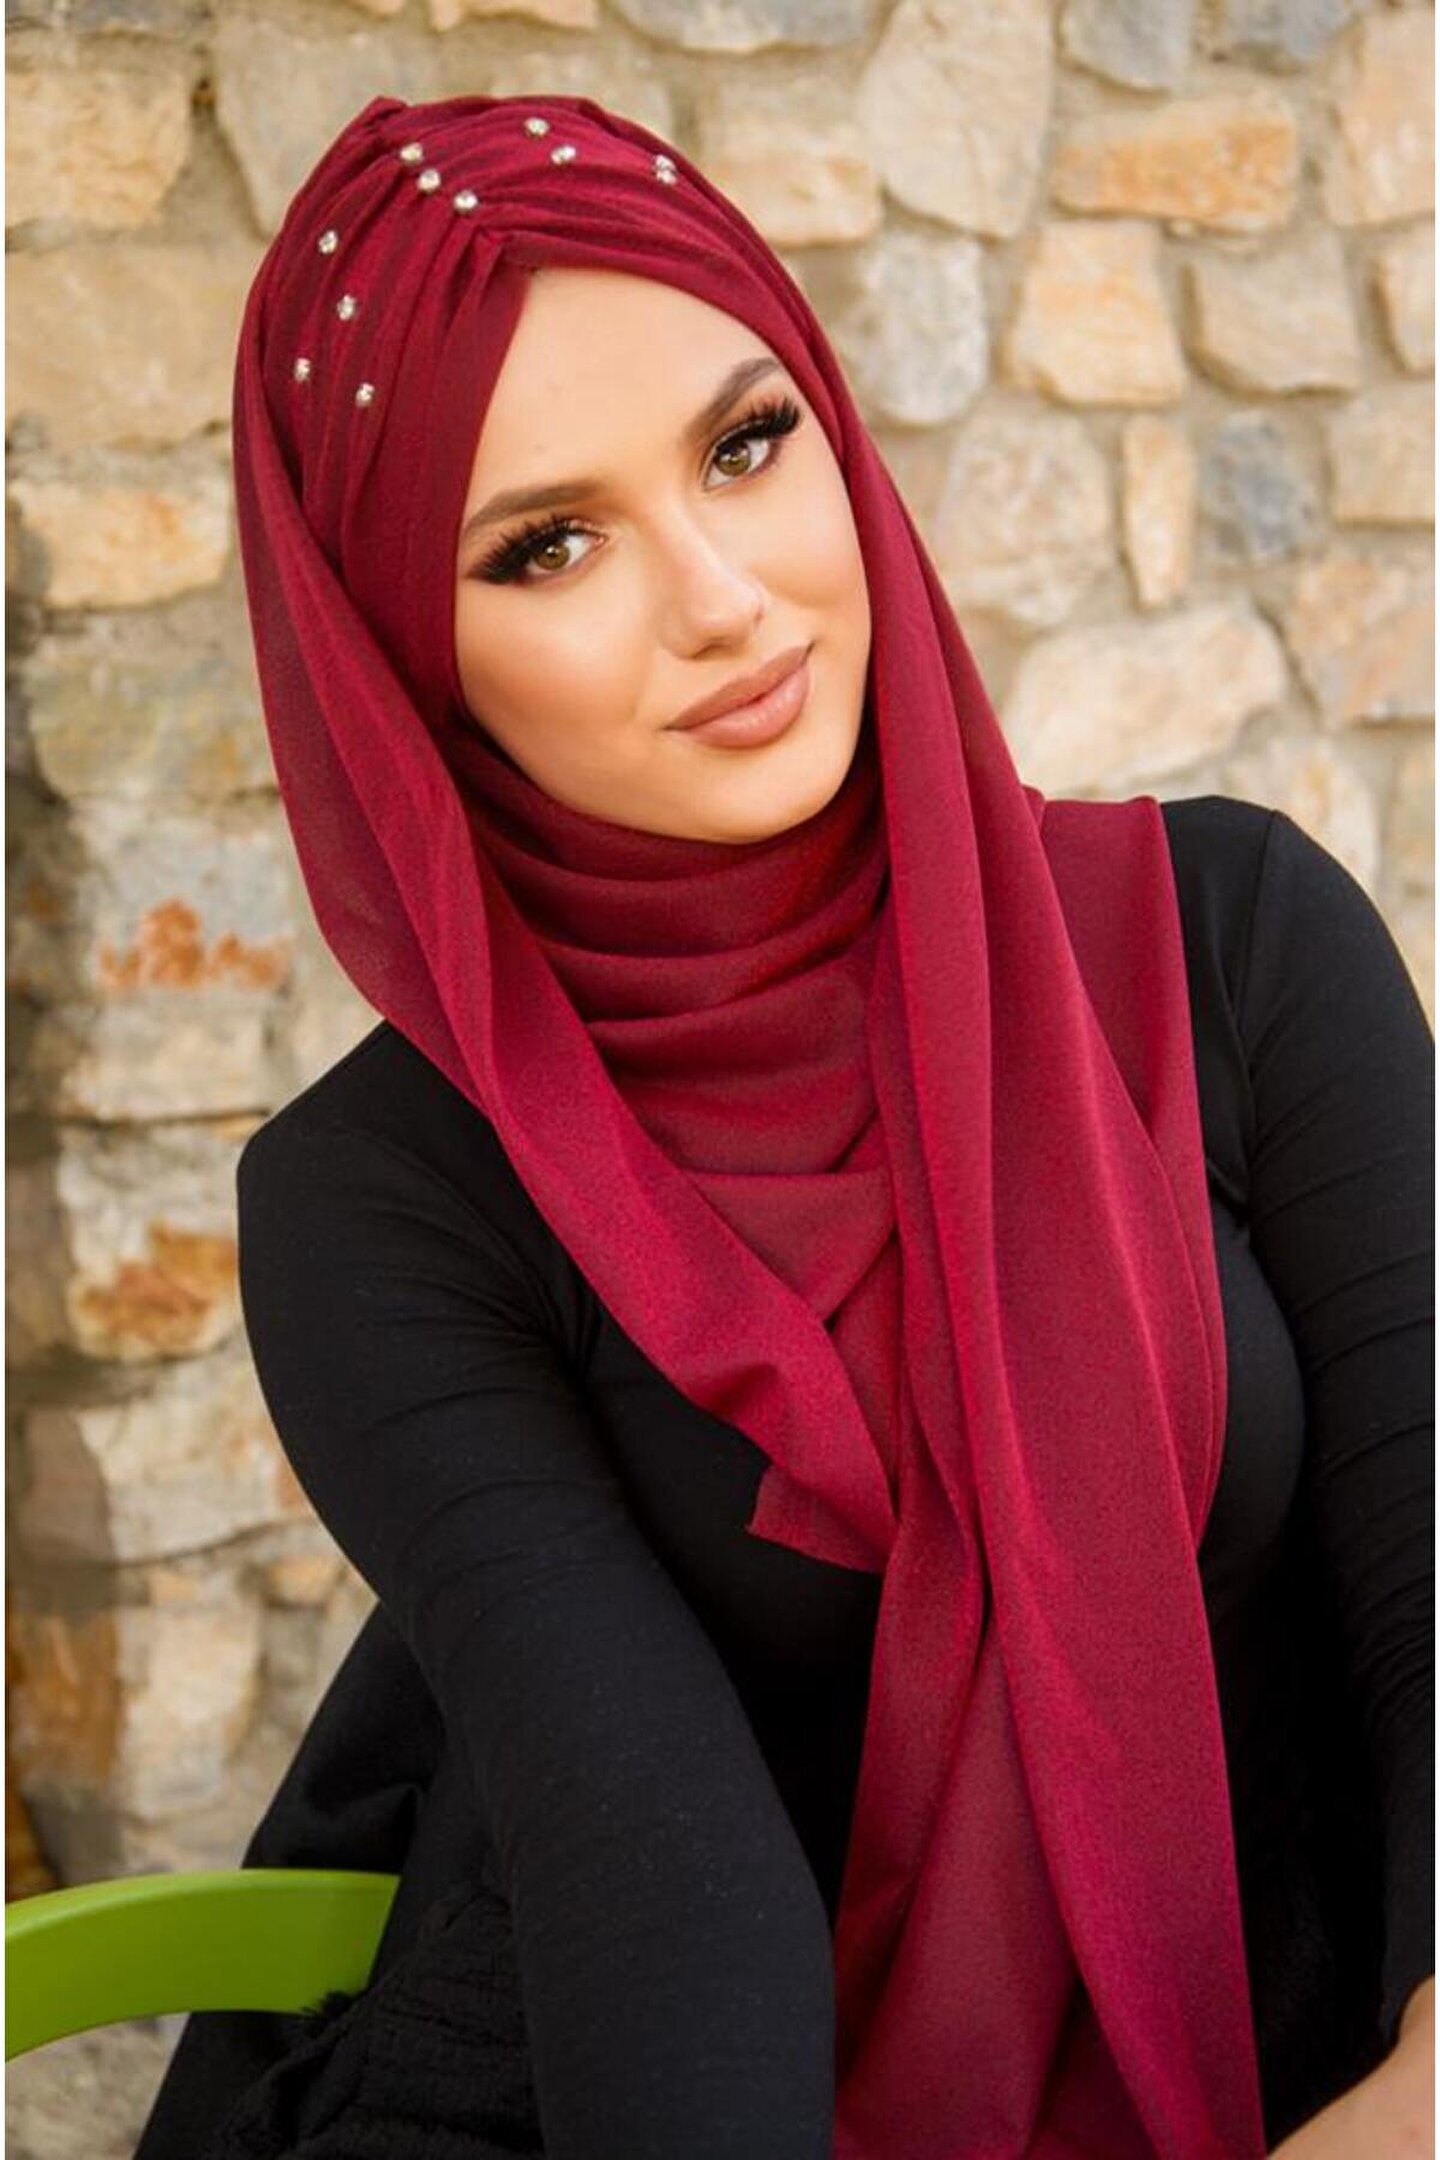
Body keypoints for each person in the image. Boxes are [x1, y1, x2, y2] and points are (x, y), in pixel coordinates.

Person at [133, 92, 1432, 2160]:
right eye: (548, 545)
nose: (724, 599)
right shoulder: (379, 1202)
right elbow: (654, 1865)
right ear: (407, 657)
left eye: (746, 444)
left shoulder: (1231, 942)